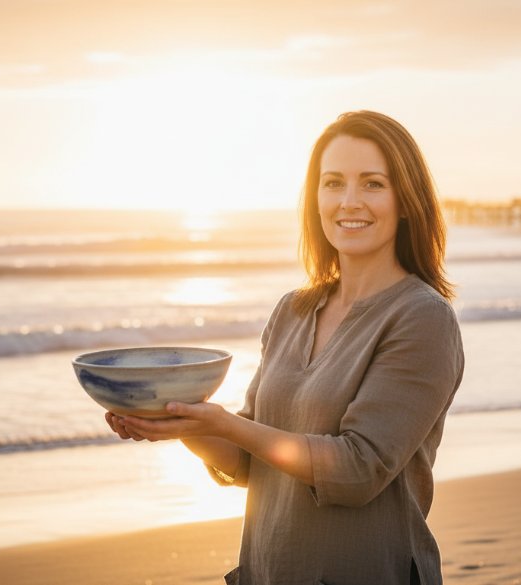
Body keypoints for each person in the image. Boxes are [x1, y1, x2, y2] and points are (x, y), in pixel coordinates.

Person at [107, 110, 464, 585]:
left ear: (406, 200)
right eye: (333, 183)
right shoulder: (293, 310)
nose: (349, 201)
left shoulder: (422, 318)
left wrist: (227, 424)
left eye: (373, 183)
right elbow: (249, 461)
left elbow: (359, 469)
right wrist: (182, 423)